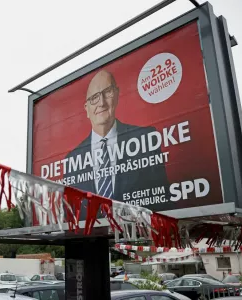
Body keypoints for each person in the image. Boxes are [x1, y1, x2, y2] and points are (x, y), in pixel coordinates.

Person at [63, 69, 169, 215]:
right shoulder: (72, 159)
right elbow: (70, 216)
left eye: (107, 92)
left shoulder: (144, 137)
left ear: (117, 95)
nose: (101, 102)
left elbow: (163, 202)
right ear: (86, 109)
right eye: (94, 97)